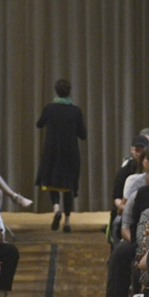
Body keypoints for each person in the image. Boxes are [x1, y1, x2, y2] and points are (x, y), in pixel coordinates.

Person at [35, 78, 87, 231]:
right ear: (69, 92)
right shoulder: (75, 111)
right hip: (70, 153)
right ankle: (67, 222)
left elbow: (39, 124)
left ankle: (56, 210)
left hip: (52, 151)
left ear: (56, 91)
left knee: (53, 183)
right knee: (68, 187)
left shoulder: (50, 109)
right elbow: (83, 134)